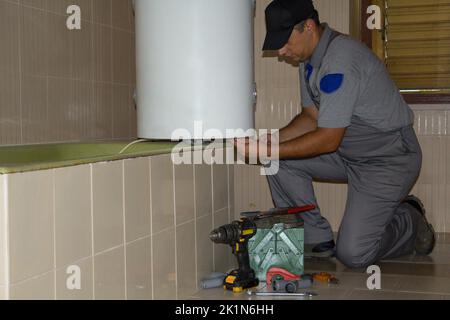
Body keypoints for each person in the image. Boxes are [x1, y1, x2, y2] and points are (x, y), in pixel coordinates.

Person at [235, 0, 435, 268]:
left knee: (354, 254)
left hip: (388, 160)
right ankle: (316, 238)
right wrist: (269, 141)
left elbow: (328, 139)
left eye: (285, 41)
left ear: (308, 26)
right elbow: (311, 117)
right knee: (277, 161)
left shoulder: (341, 59)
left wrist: (267, 150)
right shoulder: (309, 61)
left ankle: (410, 219)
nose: (282, 51)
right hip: (348, 155)